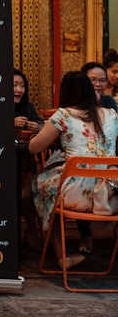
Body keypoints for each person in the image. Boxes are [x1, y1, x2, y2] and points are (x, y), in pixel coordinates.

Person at [31, 71, 118, 269]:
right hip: (110, 195)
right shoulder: (112, 115)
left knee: (43, 186)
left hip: (75, 196)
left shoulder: (63, 115)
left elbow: (34, 148)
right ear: (91, 92)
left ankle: (61, 257)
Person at [13, 68, 44, 249]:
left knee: (25, 194)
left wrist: (37, 127)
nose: (19, 90)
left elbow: (41, 123)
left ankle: (31, 229)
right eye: (15, 85)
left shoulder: (28, 107)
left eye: (22, 86)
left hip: (24, 158)